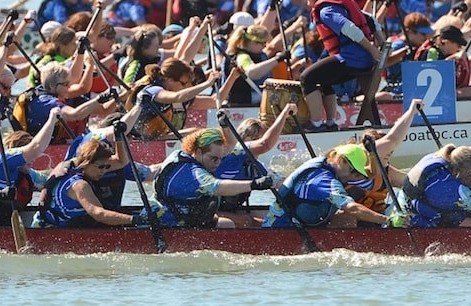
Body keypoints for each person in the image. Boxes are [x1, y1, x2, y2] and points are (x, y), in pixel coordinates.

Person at [296, 0, 382, 132]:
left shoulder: (326, 11)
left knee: (306, 78)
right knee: (323, 78)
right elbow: (371, 19)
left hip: (352, 60)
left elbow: (349, 28)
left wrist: (373, 49)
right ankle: (330, 123)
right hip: (362, 60)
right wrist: (382, 44)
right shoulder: (339, 2)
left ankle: (315, 124)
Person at [146, 128, 273, 228]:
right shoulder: (195, 174)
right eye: (214, 159)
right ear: (199, 152)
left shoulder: (179, 155)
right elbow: (218, 187)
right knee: (231, 224)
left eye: (220, 158)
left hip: (170, 212)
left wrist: (225, 127)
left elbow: (229, 147)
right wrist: (254, 184)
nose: (218, 163)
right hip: (166, 222)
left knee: (227, 224)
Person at [0, 107, 61, 225]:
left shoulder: (23, 171)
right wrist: (52, 120)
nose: (33, 159)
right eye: (26, 155)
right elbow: (36, 148)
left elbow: (48, 178)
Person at [262, 143, 392, 228]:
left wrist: (373, 154)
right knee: (348, 218)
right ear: (341, 161)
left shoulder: (326, 163)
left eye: (358, 175)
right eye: (354, 172)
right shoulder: (324, 180)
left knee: (347, 218)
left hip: (301, 221)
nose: (354, 177)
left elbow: (371, 177)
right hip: (282, 227)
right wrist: (387, 220)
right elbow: (352, 208)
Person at [32, 139, 142, 228]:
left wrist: (119, 138)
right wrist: (134, 219)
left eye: (107, 167)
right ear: (87, 163)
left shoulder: (77, 164)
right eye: (101, 167)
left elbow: (121, 162)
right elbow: (99, 214)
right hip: (54, 227)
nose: (104, 171)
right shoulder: (79, 185)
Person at [126, 58, 240, 140]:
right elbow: (177, 97)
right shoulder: (153, 90)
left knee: (202, 133)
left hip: (158, 139)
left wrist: (232, 77)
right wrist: (207, 83)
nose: (188, 88)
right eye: (184, 83)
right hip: (139, 141)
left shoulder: (181, 95)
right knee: (197, 133)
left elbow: (214, 101)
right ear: (169, 80)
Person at [392, 144, 471, 227]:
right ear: (458, 172)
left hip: (417, 206)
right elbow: (463, 222)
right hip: (411, 222)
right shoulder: (450, 188)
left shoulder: (444, 158)